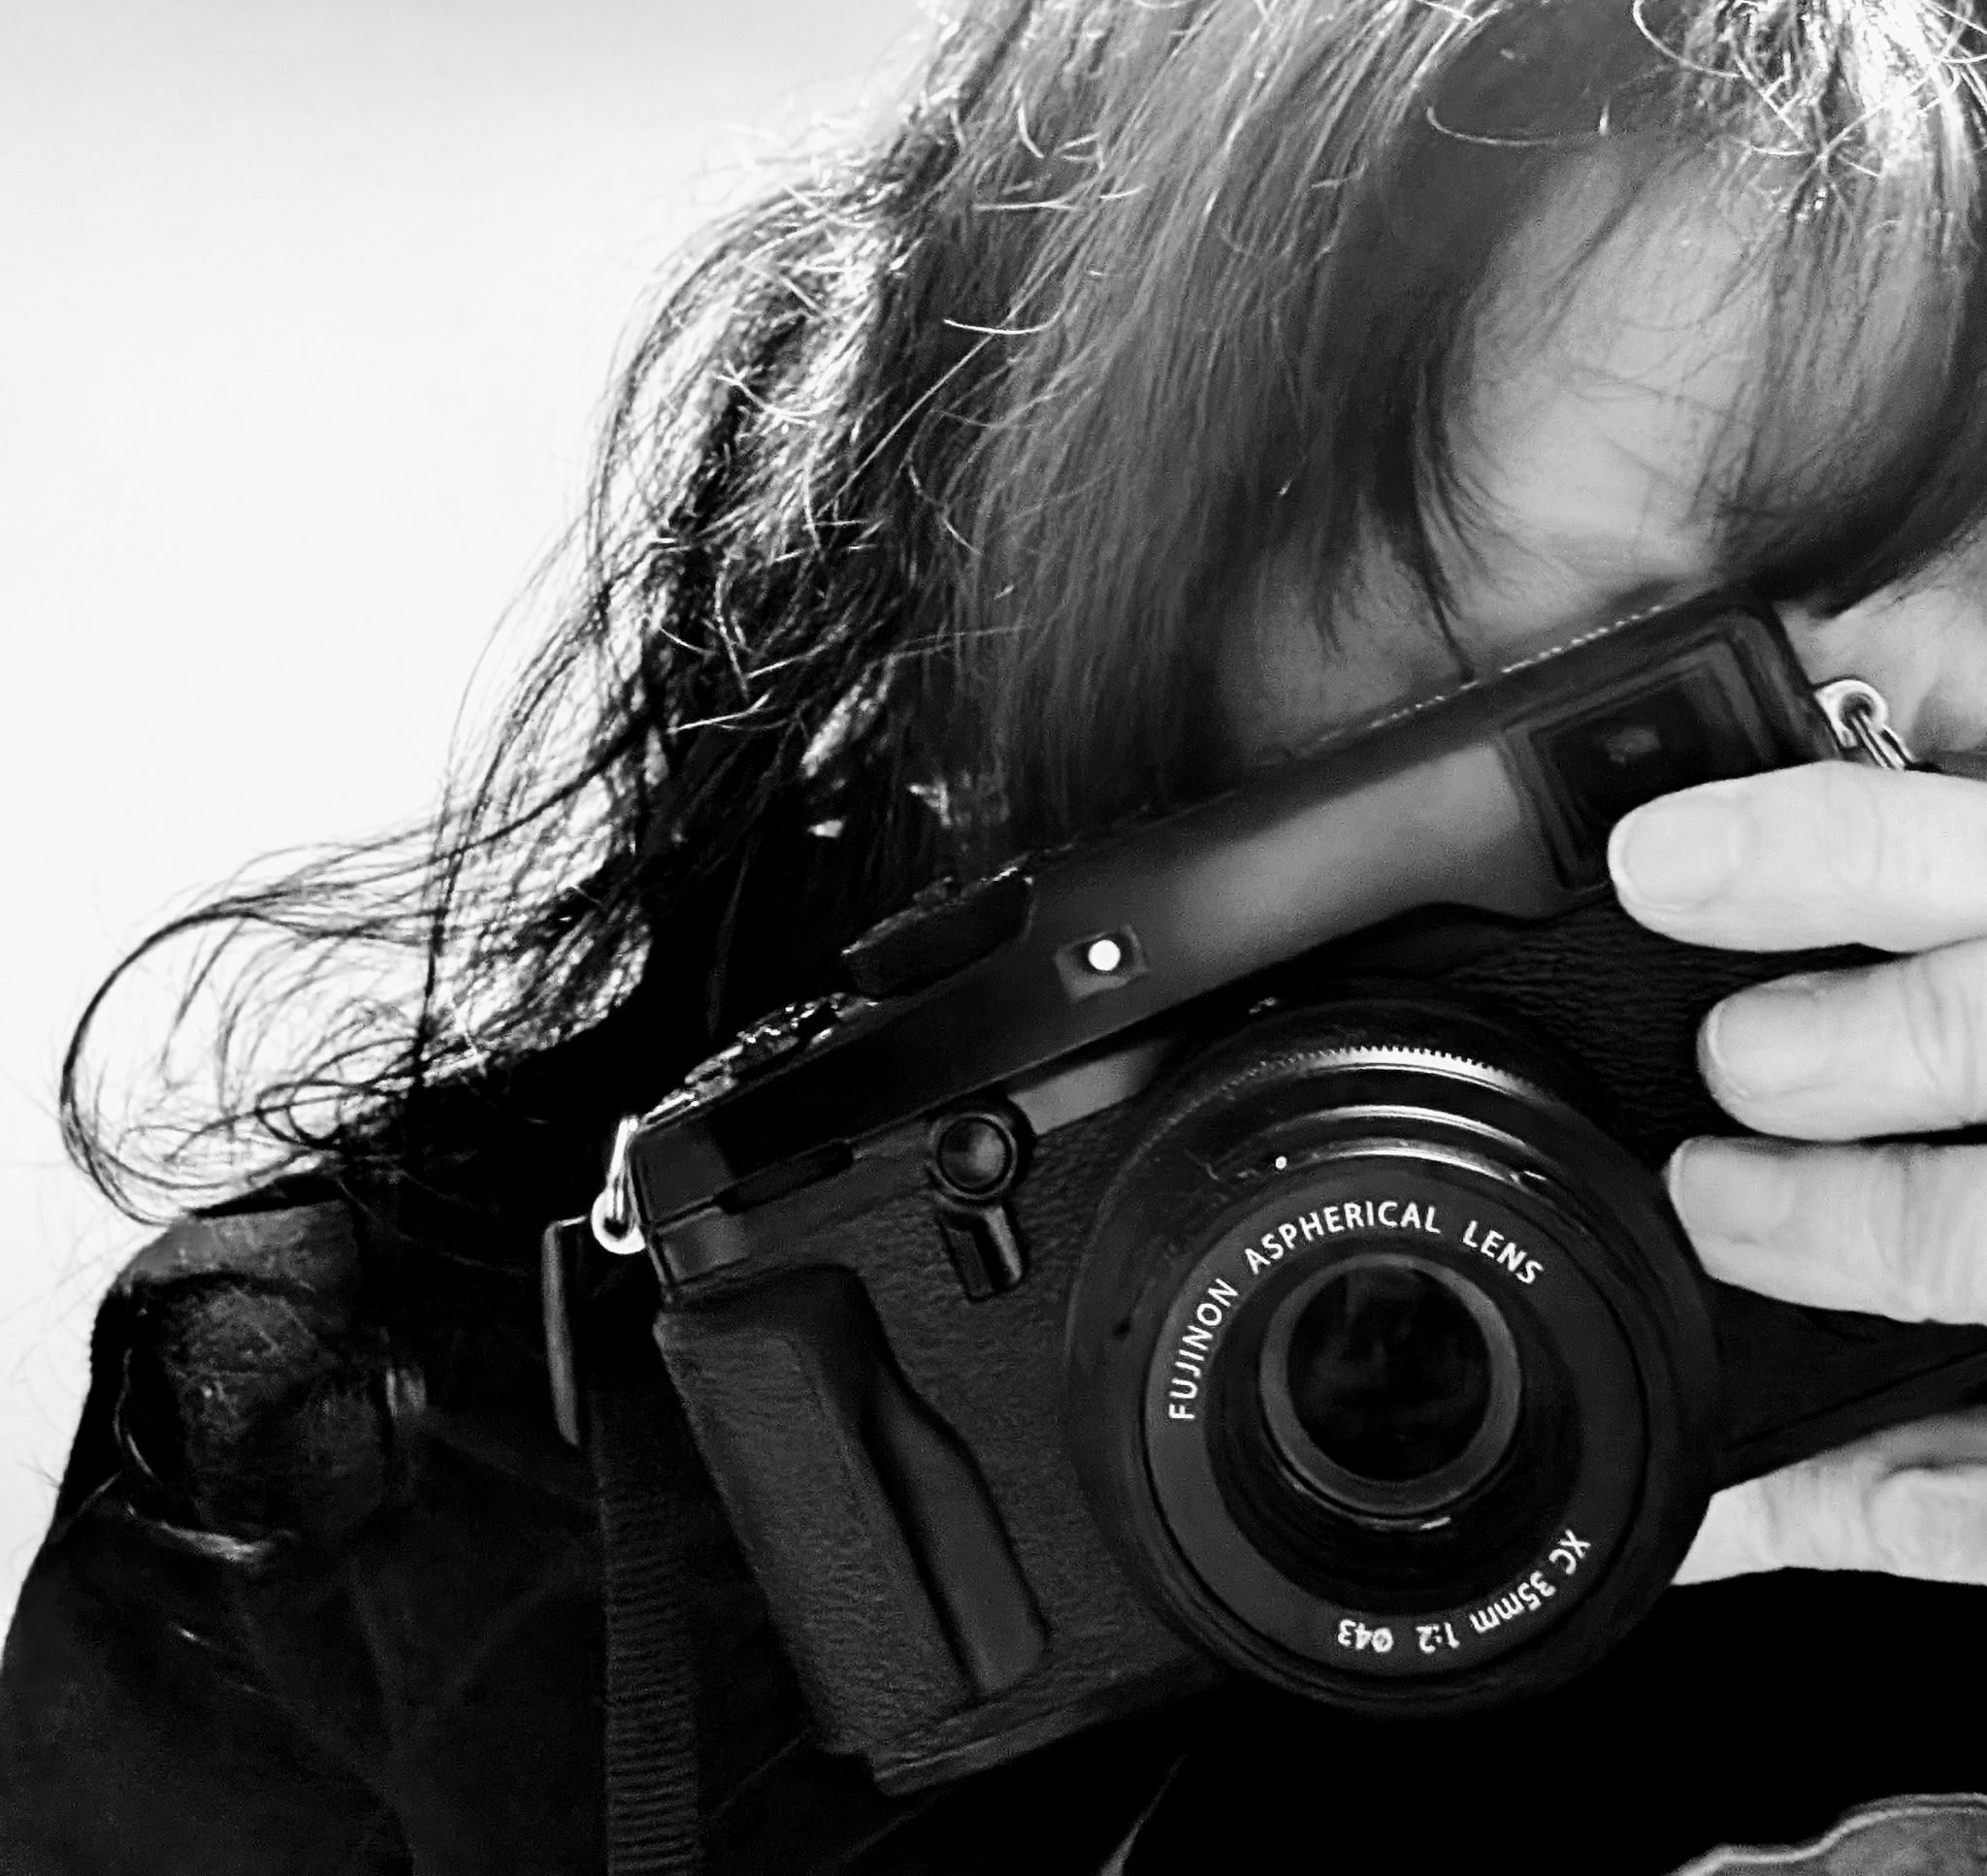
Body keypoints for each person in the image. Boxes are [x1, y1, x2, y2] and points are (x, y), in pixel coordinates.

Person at [11, 0, 1987, 1869]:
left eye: (1952, 758)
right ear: (1091, 549)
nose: (1836, 878)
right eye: (1636, 719)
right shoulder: (422, 1480)